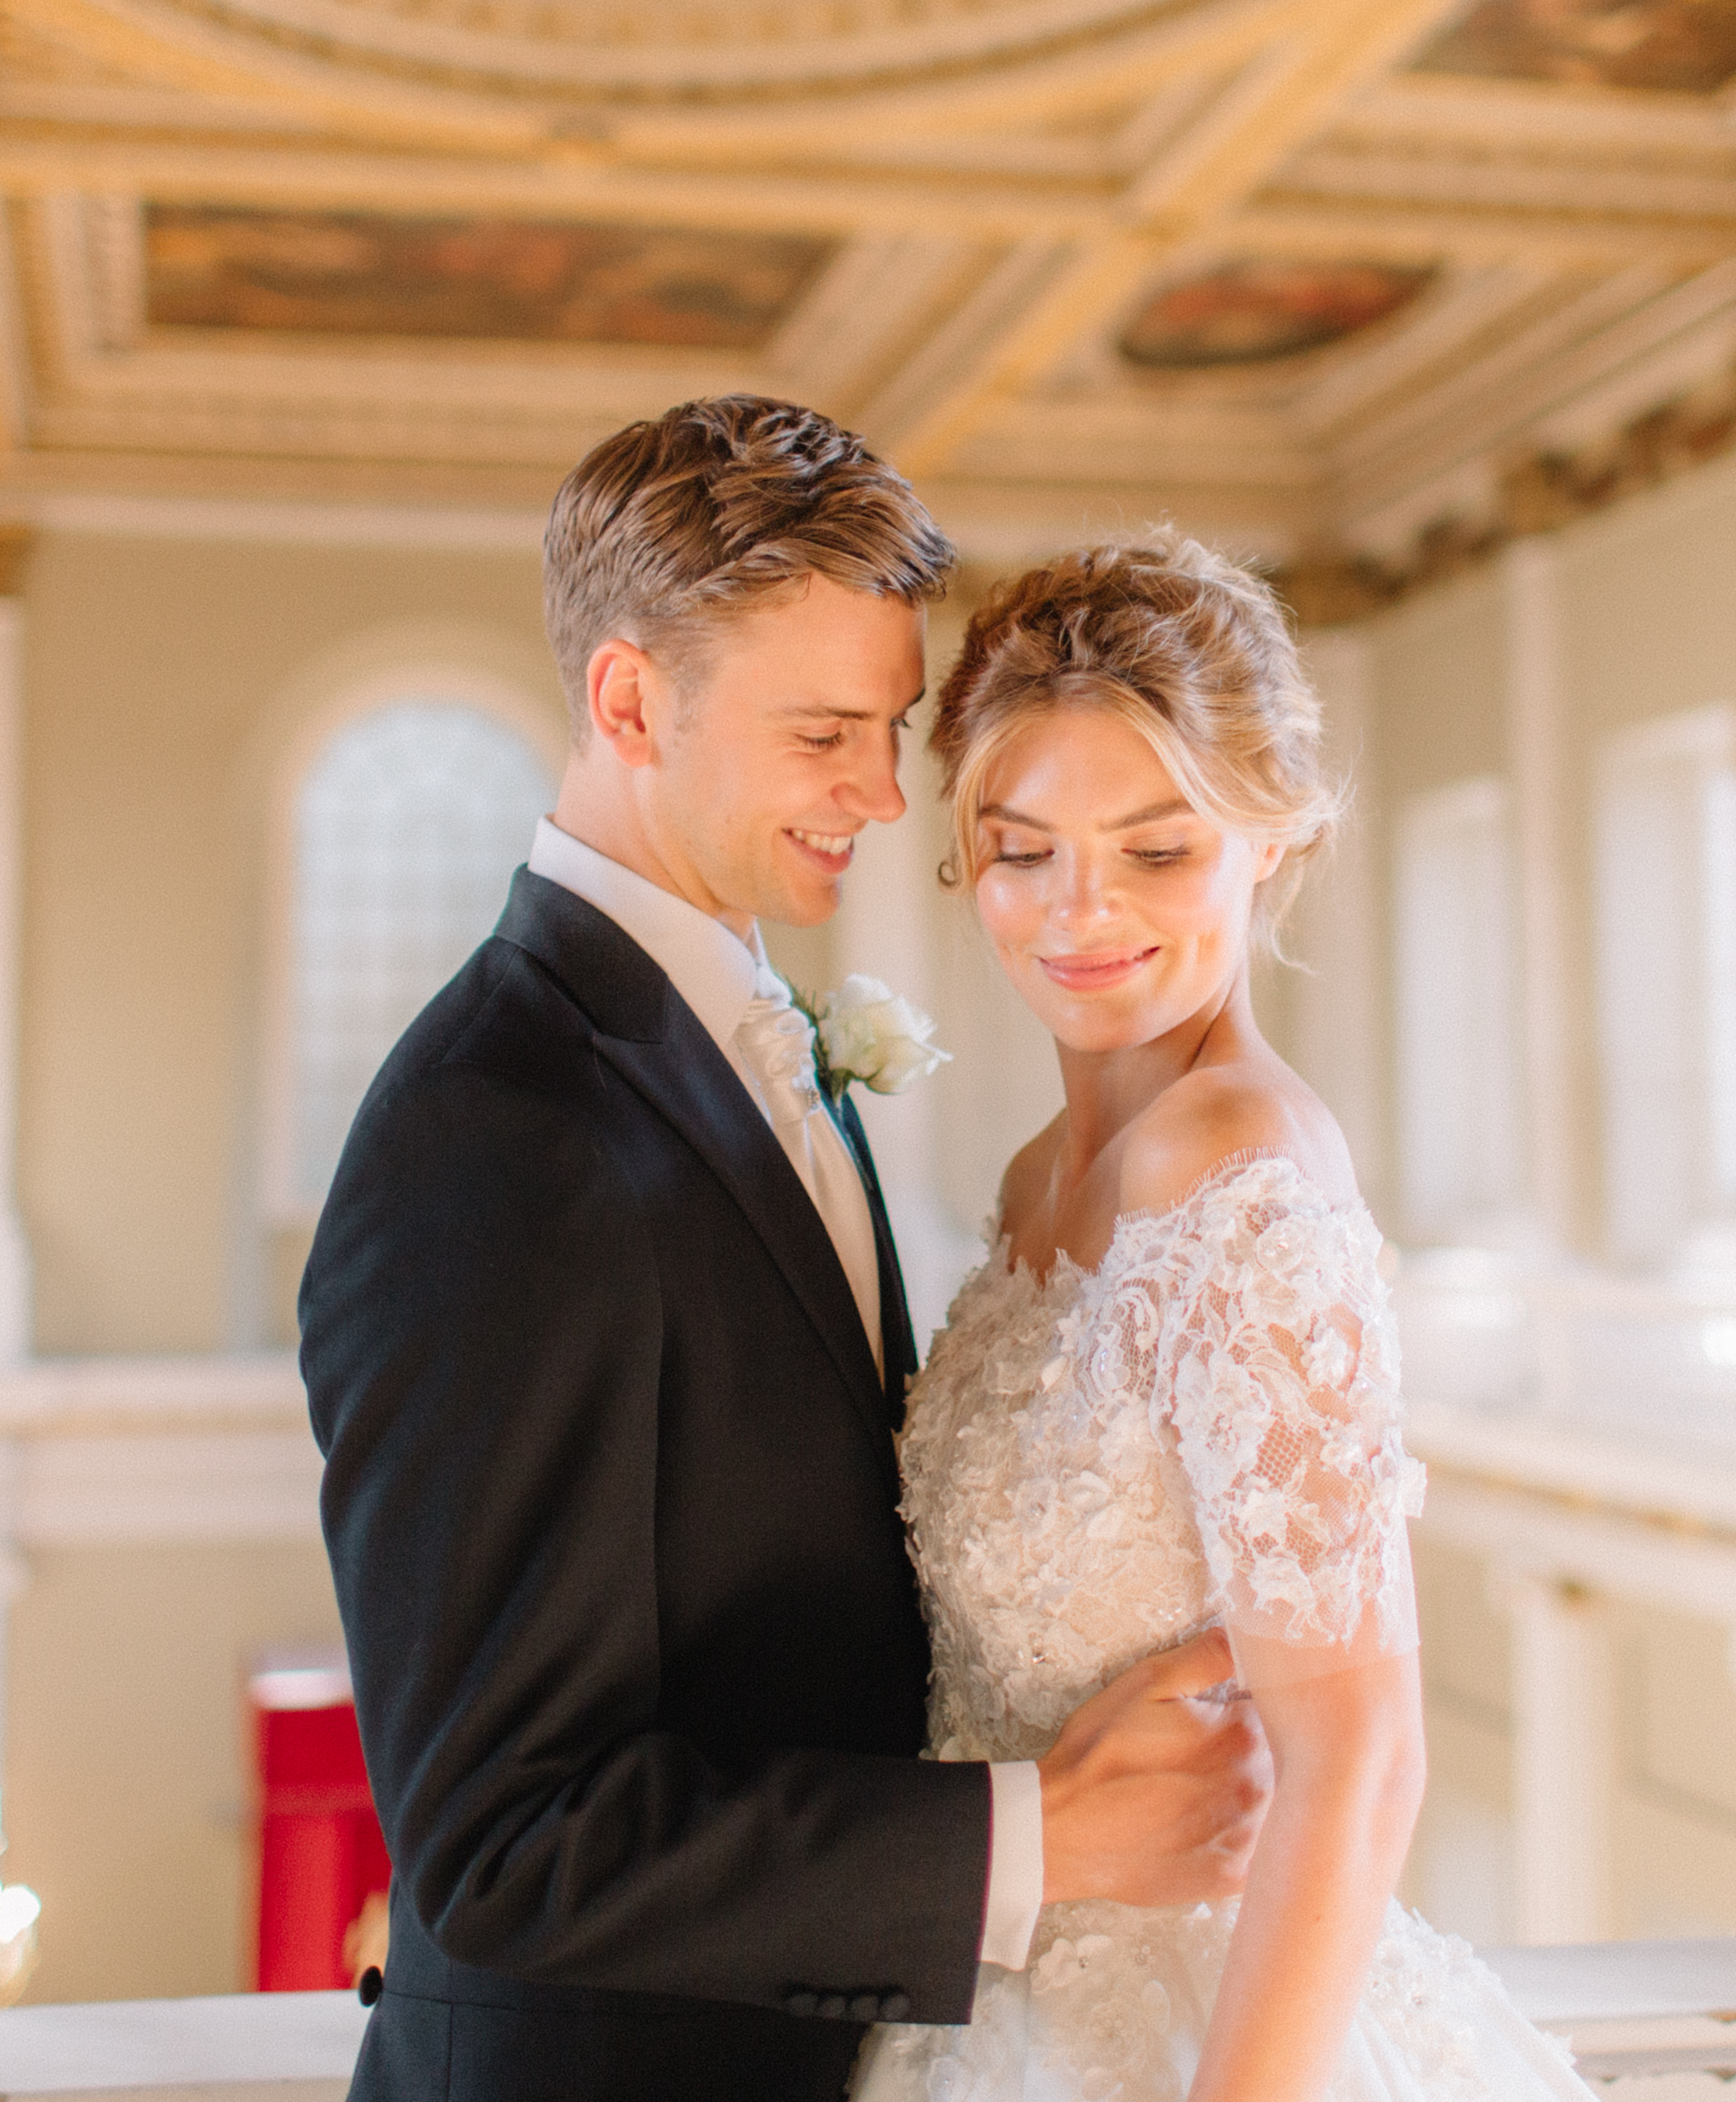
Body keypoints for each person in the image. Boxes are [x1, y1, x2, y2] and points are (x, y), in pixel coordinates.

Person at [299, 400, 1272, 2102]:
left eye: (891, 730)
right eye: (827, 732)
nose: (884, 796)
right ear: (627, 703)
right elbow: (508, 1845)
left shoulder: (721, 1028)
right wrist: (1043, 1838)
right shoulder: (494, 1132)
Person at [856, 535, 1591, 2102]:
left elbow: (1362, 1755)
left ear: (1275, 840)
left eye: (1156, 849)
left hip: (1205, 2034)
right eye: (1021, 846)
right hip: (989, 2001)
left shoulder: (1234, 1166)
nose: (1080, 913)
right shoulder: (1040, 1180)